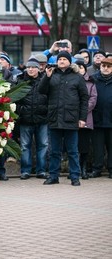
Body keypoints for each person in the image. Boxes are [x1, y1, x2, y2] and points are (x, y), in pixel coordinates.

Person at [38, 51, 89, 186]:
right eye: (59, 58)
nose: (61, 61)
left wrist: (82, 118)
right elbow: (41, 91)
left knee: (72, 151)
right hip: (54, 118)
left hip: (71, 119)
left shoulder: (77, 77)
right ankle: (53, 176)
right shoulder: (51, 75)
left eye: (64, 59)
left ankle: (75, 177)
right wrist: (47, 77)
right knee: (54, 151)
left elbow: (84, 99)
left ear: (69, 61)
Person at [15, 57, 49, 180]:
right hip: (25, 119)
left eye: (33, 67)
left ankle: (41, 170)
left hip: (43, 119)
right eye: (28, 67)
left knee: (43, 145)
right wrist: (22, 110)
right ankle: (25, 170)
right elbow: (15, 100)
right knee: (25, 146)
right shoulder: (20, 81)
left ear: (39, 68)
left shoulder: (45, 80)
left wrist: (46, 111)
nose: (30, 69)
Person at [72, 55, 97, 179]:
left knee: (84, 146)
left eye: (82, 67)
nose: (80, 69)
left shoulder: (90, 82)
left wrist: (82, 111)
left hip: (86, 118)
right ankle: (74, 169)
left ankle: (83, 168)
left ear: (85, 69)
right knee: (73, 146)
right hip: (71, 119)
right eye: (77, 67)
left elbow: (93, 99)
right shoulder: (71, 80)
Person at [90, 57, 112, 179]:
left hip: (111, 119)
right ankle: (97, 169)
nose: (106, 68)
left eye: (109, 66)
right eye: (104, 66)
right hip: (97, 119)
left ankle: (111, 169)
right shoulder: (93, 79)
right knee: (97, 147)